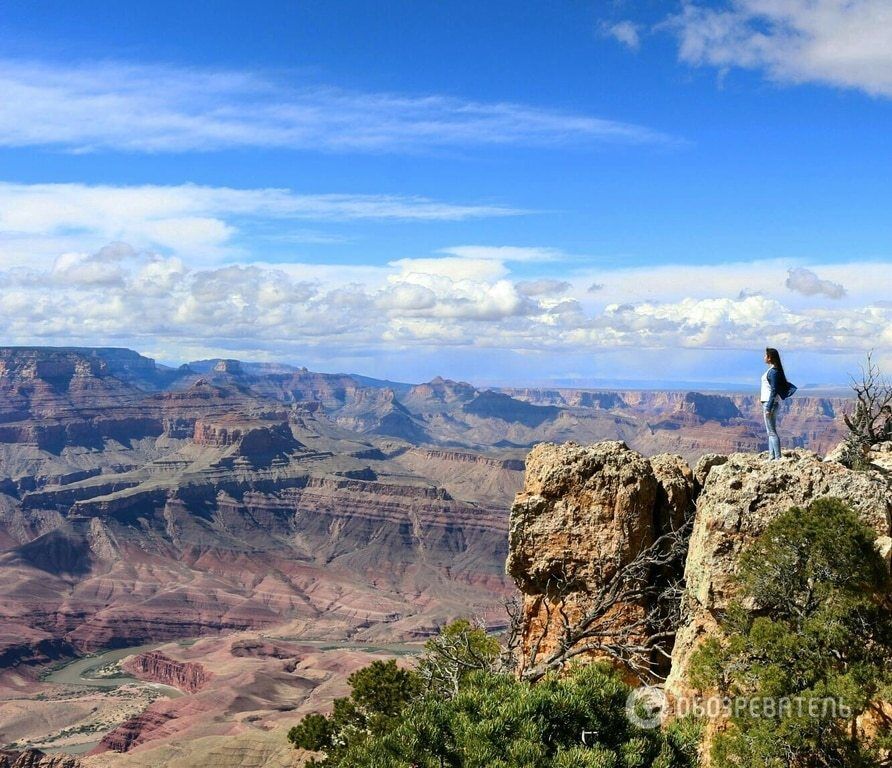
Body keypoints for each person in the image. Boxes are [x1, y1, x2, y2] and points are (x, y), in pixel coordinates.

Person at [761, 347, 787, 460]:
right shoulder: (773, 370)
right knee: (770, 431)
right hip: (769, 402)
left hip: (769, 404)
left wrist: (768, 407)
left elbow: (774, 390)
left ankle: (777, 458)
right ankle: (771, 457)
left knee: (772, 432)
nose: (764, 357)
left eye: (765, 355)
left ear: (770, 357)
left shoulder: (773, 372)